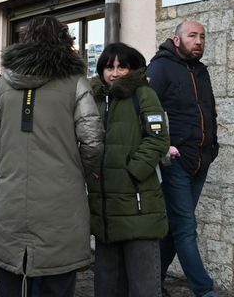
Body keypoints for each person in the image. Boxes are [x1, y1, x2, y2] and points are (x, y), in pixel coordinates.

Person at [0, 16, 104, 297]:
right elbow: (92, 142)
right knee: (57, 282)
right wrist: (75, 170)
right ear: (65, 41)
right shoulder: (75, 84)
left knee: (11, 283)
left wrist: (11, 163)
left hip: (10, 198)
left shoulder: (1, 85)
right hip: (61, 202)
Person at [88, 42, 169, 297]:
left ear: (132, 68)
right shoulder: (96, 99)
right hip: (105, 207)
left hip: (138, 204)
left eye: (122, 66)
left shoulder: (144, 95)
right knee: (107, 283)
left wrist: (132, 172)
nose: (115, 73)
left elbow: (157, 139)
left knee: (143, 283)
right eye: (109, 67)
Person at [146, 20, 219, 297]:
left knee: (175, 226)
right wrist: (164, 147)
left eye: (202, 36)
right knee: (186, 226)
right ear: (176, 40)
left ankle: (153, 281)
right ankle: (205, 290)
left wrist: (213, 148)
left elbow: (209, 111)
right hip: (174, 161)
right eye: (192, 36)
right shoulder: (160, 68)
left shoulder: (201, 72)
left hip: (201, 160)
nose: (198, 41)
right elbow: (148, 112)